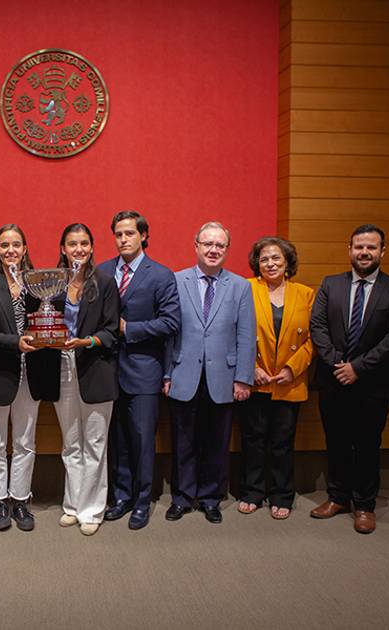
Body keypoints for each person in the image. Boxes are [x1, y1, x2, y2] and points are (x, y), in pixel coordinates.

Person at [309, 224, 389, 534]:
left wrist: (358, 367)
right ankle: (337, 497)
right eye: (359, 247)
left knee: (368, 444)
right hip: (333, 379)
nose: (364, 252)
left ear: (382, 251)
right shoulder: (331, 284)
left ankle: (364, 505)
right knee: (337, 441)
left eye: (371, 247)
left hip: (374, 384)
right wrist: (338, 364)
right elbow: (318, 326)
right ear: (349, 250)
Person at [164, 222, 255, 524]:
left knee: (217, 442)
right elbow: (169, 333)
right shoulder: (176, 281)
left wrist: (243, 377)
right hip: (183, 374)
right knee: (183, 441)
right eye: (208, 244)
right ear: (197, 246)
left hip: (224, 378)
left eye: (220, 245)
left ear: (227, 250)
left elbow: (246, 334)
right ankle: (181, 497)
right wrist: (166, 374)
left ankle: (211, 498)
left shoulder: (241, 286)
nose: (214, 249)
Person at [98, 210, 179, 530]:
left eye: (129, 234)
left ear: (143, 235)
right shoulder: (102, 271)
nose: (123, 240)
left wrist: (128, 328)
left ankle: (142, 501)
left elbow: (171, 322)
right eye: (118, 234)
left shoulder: (160, 275)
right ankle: (120, 497)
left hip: (144, 371)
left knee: (143, 439)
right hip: (106, 371)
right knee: (115, 439)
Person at [0, 224, 53, 531]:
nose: (10, 250)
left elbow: (46, 319)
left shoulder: (37, 285)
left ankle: (21, 501)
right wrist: (13, 343)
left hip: (29, 376)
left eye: (16, 244)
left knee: (24, 443)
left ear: (25, 248)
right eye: (4, 245)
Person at [47, 224, 120, 536]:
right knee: (71, 443)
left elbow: (111, 331)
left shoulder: (104, 283)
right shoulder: (52, 284)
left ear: (92, 247)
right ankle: (72, 505)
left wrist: (85, 342)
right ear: (63, 248)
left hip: (94, 368)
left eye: (84, 243)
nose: (78, 249)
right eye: (72, 244)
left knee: (94, 443)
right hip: (61, 368)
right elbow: (44, 322)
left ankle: (92, 511)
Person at [239, 237, 314, 520]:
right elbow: (236, 333)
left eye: (276, 259)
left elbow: (312, 339)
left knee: (283, 442)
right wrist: (250, 368)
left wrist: (292, 368)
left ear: (287, 264)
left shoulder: (305, 294)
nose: (270, 263)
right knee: (253, 440)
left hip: (288, 382)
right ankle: (252, 492)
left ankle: (283, 494)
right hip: (255, 380)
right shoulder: (246, 288)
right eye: (264, 259)